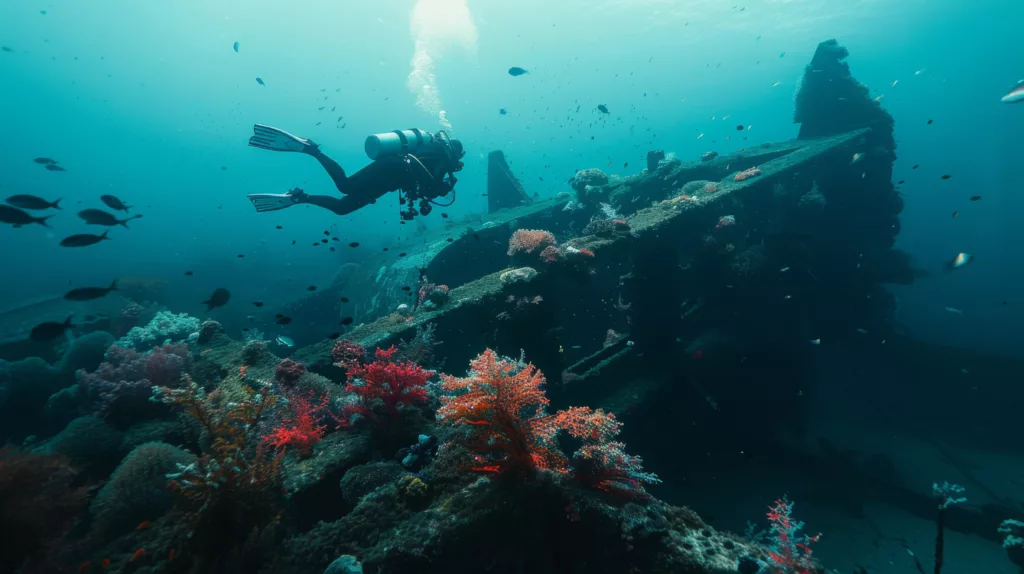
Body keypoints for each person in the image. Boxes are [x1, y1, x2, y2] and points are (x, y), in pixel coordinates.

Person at [246, 125, 465, 220]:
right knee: (345, 186)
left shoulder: (436, 153)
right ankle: (311, 149)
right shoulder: (442, 158)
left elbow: (421, 184)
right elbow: (433, 189)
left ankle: (299, 197)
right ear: (455, 153)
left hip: (390, 176)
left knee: (343, 208)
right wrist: (447, 185)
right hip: (392, 168)